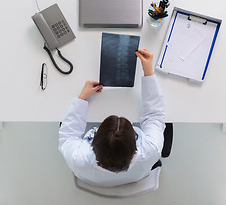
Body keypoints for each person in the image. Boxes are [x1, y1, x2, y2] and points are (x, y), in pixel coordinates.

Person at [58, 48, 165, 187]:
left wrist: (82, 98)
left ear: (95, 139)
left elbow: (68, 136)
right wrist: (148, 71)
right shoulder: (151, 149)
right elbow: (154, 116)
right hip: (135, 177)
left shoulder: (78, 157)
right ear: (134, 142)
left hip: (90, 179)